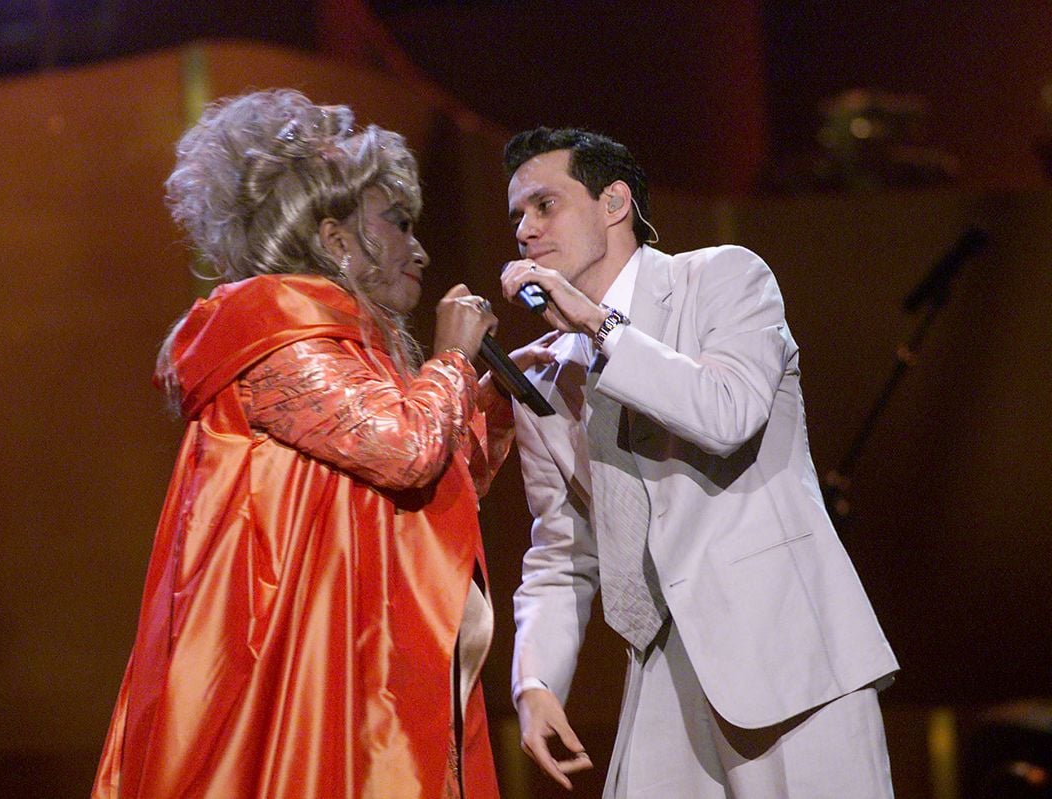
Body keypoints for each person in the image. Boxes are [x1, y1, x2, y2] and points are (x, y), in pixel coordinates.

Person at [92, 89, 552, 799]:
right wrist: (454, 359)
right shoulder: (277, 336)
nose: (419, 247)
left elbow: (431, 484)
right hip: (289, 692)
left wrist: (518, 387)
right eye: (397, 223)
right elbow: (406, 448)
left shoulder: (342, 352)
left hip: (351, 679)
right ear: (337, 240)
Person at [497, 127, 899, 798]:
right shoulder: (545, 374)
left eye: (545, 204)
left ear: (614, 202)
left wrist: (600, 329)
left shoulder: (722, 277)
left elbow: (727, 412)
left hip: (788, 659)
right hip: (661, 681)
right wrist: (535, 681)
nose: (526, 230)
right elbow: (561, 550)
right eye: (516, 216)